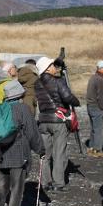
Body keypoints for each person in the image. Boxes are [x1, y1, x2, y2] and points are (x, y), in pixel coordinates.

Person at [0, 81, 44, 206]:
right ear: (19, 94)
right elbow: (32, 133)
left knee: (1, 188)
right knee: (17, 190)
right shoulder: (22, 108)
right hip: (18, 155)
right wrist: (41, 150)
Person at [35, 56, 80, 192]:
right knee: (59, 152)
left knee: (45, 154)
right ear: (48, 68)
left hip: (43, 120)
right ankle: (58, 182)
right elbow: (67, 97)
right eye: (53, 65)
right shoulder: (58, 81)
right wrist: (76, 102)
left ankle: (45, 182)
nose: (55, 67)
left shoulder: (37, 83)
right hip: (58, 120)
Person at [86, 60, 103, 156]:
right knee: (99, 130)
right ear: (101, 69)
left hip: (91, 106)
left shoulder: (94, 77)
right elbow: (101, 97)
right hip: (97, 108)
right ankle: (97, 150)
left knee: (94, 129)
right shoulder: (100, 80)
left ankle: (92, 147)